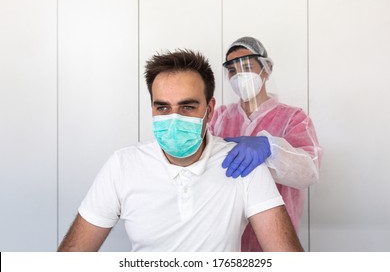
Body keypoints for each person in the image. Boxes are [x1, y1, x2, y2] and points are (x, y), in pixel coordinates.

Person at [58, 49, 303, 252]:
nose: (174, 119)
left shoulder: (241, 164)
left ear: (210, 109)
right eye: (163, 108)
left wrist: (272, 148)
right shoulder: (123, 165)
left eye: (187, 107)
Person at [209, 36, 322, 251]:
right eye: (232, 70)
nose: (239, 75)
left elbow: (309, 172)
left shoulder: (293, 118)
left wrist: (272, 149)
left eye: (247, 67)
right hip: (224, 237)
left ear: (266, 69)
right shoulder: (219, 118)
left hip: (277, 236)